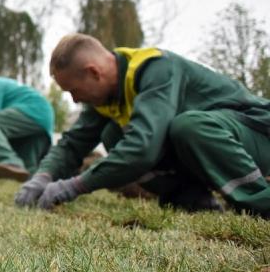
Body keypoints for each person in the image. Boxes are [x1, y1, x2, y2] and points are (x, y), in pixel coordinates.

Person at [14, 33, 270, 216]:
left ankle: (260, 203)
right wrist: (42, 177)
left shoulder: (156, 69)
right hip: (217, 139)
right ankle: (192, 202)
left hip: (256, 133)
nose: (75, 99)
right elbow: (72, 144)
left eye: (73, 90)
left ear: (94, 72)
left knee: (188, 126)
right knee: (114, 133)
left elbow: (142, 148)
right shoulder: (107, 95)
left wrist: (75, 185)